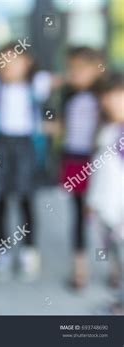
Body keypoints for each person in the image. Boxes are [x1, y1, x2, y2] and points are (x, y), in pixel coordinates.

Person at [0, 42, 54, 281]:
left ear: (27, 63)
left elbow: (63, 79)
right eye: (3, 62)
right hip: (1, 144)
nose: (9, 67)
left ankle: (29, 250)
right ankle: (2, 250)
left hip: (26, 145)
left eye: (15, 61)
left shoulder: (37, 84)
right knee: (0, 198)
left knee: (26, 198)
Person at [59, 47, 104, 288]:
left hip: (99, 161)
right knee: (78, 214)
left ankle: (115, 268)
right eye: (71, 69)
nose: (73, 74)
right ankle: (80, 271)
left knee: (105, 215)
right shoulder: (68, 96)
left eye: (79, 69)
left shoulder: (105, 98)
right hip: (74, 159)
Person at [86, 73, 124, 313]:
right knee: (116, 256)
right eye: (106, 96)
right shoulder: (108, 128)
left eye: (117, 95)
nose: (110, 101)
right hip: (106, 206)